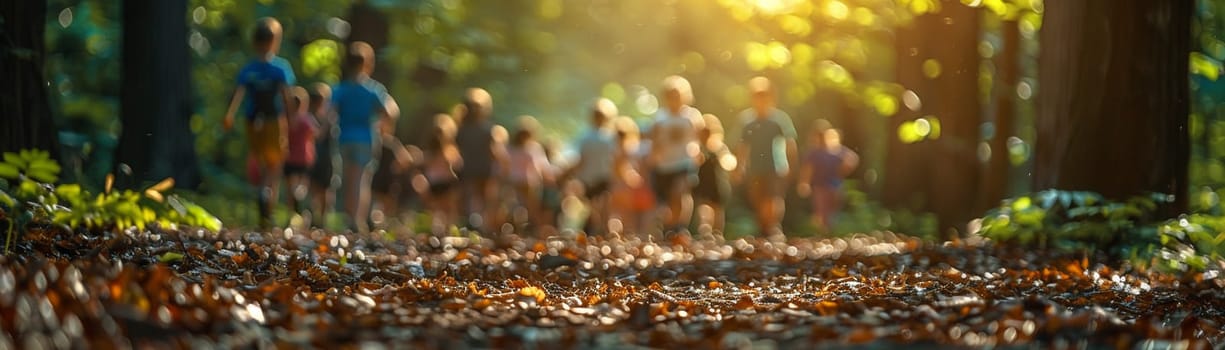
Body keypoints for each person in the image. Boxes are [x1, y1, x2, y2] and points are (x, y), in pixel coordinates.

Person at [222, 17, 294, 228]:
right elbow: (286, 96)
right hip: (272, 120)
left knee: (260, 160)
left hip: (252, 119)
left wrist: (229, 115)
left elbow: (238, 94)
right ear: (275, 41)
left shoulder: (248, 69)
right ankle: (267, 199)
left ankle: (262, 197)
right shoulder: (280, 68)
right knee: (275, 164)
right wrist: (292, 119)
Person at [331, 41, 400, 233]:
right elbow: (391, 111)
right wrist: (385, 129)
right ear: (367, 64)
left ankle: (350, 218)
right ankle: (358, 220)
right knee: (361, 179)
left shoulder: (341, 89)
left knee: (348, 179)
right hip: (366, 139)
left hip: (345, 137)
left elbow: (329, 113)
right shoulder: (373, 90)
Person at [734, 76, 798, 239]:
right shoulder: (747, 120)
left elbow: (790, 143)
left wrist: (791, 164)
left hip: (776, 166)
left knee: (773, 197)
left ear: (771, 97)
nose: (760, 100)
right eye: (757, 96)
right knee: (758, 198)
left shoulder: (779, 119)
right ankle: (763, 227)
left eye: (764, 96)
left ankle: (773, 226)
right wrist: (739, 167)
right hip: (755, 167)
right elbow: (743, 146)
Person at [648, 76, 705, 238]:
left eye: (677, 95)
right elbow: (655, 139)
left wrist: (698, 151)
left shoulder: (692, 115)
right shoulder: (660, 117)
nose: (674, 99)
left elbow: (700, 136)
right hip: (665, 164)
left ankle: (680, 226)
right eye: (670, 96)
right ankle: (669, 226)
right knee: (668, 199)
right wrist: (653, 156)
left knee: (679, 192)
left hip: (685, 161)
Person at [454, 88, 508, 232]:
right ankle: (484, 227)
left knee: (468, 198)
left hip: (468, 168)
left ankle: (468, 225)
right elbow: (496, 151)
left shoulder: (461, 129)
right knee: (486, 200)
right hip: (483, 169)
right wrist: (503, 167)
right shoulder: (487, 129)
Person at [563, 98, 618, 235]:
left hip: (587, 177)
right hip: (604, 176)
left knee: (591, 208)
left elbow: (580, 160)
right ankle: (604, 233)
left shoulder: (585, 137)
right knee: (603, 209)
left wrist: (567, 173)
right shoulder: (610, 137)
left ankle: (593, 233)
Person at [798, 124, 860, 232]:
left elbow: (852, 158)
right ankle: (823, 230)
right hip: (820, 186)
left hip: (835, 184)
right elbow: (808, 168)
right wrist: (804, 183)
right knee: (822, 208)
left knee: (833, 207)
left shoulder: (837, 150)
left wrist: (843, 169)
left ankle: (828, 227)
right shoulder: (814, 152)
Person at [413, 113, 463, 235]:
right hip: (441, 183)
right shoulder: (445, 151)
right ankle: (443, 229)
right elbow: (457, 164)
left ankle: (443, 229)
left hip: (438, 182)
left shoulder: (442, 151)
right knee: (443, 208)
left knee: (441, 209)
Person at [608, 116, 654, 237]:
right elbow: (622, 169)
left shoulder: (619, 149)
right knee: (626, 215)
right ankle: (627, 236)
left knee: (622, 214)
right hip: (625, 187)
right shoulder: (628, 150)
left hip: (620, 186)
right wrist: (632, 178)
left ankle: (623, 236)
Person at [504, 116, 552, 233]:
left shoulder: (510, 147)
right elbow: (541, 166)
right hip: (527, 182)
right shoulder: (533, 148)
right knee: (532, 207)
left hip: (513, 180)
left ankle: (514, 227)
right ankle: (535, 228)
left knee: (513, 205)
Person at [694, 113, 735, 239]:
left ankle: (717, 234)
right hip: (702, 183)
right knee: (704, 207)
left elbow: (729, 162)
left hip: (717, 183)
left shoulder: (719, 148)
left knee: (717, 209)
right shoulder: (697, 148)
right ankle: (705, 230)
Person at [370, 122, 414, 227]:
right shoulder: (384, 143)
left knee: (385, 207)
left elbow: (406, 160)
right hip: (378, 181)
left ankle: (384, 226)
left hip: (385, 182)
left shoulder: (390, 143)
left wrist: (396, 168)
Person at [308, 83, 338, 226]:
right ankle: (315, 217)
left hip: (327, 156)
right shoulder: (310, 117)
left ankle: (322, 219)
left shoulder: (329, 118)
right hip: (315, 156)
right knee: (315, 187)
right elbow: (318, 136)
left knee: (325, 189)